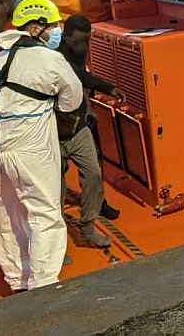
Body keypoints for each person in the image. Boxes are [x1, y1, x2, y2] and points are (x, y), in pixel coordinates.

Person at [0, 0, 82, 291]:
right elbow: (72, 99)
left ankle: (18, 281)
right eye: (53, 26)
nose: (57, 31)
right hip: (30, 150)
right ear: (36, 29)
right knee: (44, 214)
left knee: (6, 218)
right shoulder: (51, 59)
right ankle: (44, 285)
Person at [57, 15, 123, 247]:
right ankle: (56, 236)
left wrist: (103, 93)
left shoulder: (78, 48)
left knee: (93, 173)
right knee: (56, 184)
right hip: (54, 129)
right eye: (77, 42)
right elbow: (79, 76)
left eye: (87, 41)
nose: (83, 47)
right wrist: (108, 87)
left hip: (78, 125)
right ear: (65, 38)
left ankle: (88, 225)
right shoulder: (56, 55)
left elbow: (82, 77)